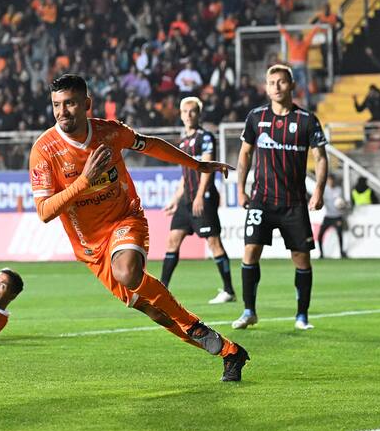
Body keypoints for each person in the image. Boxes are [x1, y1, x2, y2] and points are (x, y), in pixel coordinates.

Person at [28, 73, 249, 382]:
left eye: (70, 104)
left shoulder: (110, 133)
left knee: (128, 271)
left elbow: (151, 145)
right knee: (156, 312)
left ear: (86, 104)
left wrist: (197, 165)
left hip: (125, 219)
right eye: (56, 105)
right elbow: (44, 212)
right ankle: (229, 352)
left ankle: (193, 322)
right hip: (90, 247)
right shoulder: (45, 150)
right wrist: (84, 183)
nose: (62, 113)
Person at [234, 64, 328, 331]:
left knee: (301, 258)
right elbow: (245, 155)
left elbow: (321, 158)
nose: (276, 87)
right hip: (261, 199)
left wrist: (319, 190)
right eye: (271, 82)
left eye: (281, 82)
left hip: (294, 202)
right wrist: (241, 189)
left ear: (292, 85)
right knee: (250, 251)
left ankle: (301, 315)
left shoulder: (307, 120)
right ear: (266, 87)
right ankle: (249, 310)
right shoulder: (255, 117)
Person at [161, 97, 236, 303]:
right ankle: (162, 289)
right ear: (180, 114)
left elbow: (207, 169)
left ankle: (229, 291)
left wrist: (200, 196)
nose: (188, 115)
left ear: (198, 114)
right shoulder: (183, 142)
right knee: (172, 241)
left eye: (192, 111)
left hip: (203, 199)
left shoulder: (206, 138)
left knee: (214, 243)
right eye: (185, 111)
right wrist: (175, 199)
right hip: (186, 202)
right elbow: (185, 178)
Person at [318, 175, 348, 259]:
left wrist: (343, 204)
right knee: (320, 235)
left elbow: (343, 202)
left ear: (333, 181)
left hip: (337, 217)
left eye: (331, 180)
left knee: (339, 235)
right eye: (328, 181)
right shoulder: (324, 190)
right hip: (328, 216)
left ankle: (342, 253)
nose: (330, 182)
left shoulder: (338, 190)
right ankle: (321, 254)